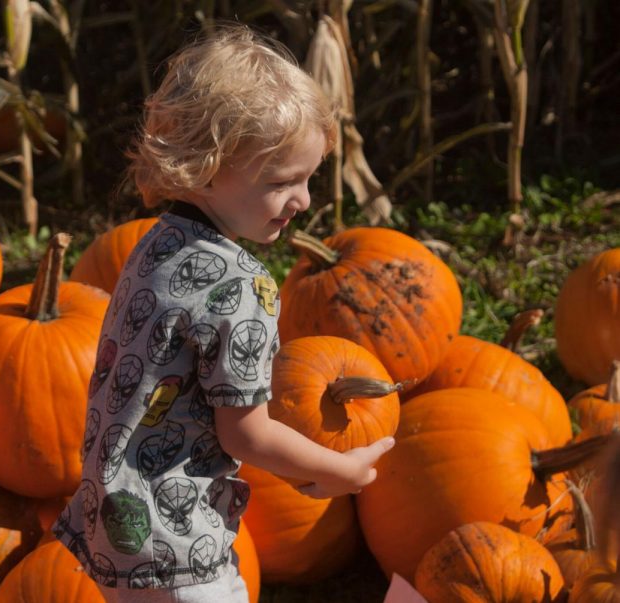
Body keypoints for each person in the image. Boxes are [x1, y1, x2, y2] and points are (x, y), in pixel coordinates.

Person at [52, 24, 395, 602]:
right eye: (284, 181)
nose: (304, 201)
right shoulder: (241, 284)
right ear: (207, 168)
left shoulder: (154, 242)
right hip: (177, 541)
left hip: (113, 518)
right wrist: (338, 469)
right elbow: (247, 434)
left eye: (309, 178)